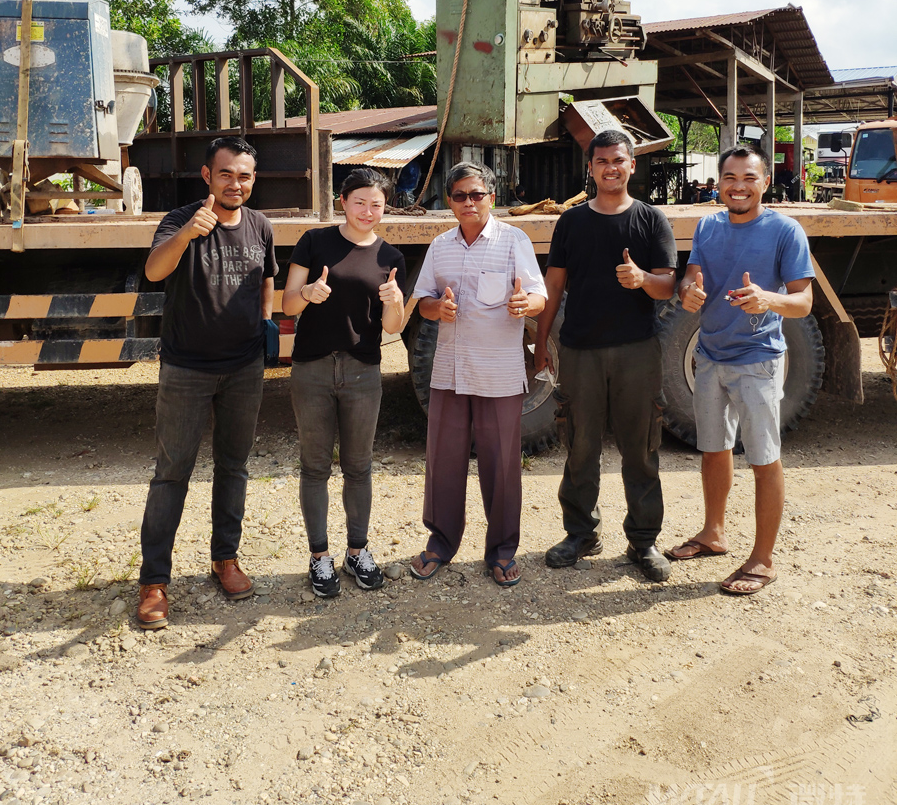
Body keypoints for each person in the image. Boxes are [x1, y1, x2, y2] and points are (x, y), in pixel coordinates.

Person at [137, 137, 278, 629]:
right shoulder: (181, 219)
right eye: (226, 174)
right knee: (172, 473)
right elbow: (154, 271)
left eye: (244, 175)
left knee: (234, 467)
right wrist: (187, 234)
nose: (235, 183)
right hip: (186, 369)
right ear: (207, 176)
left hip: (244, 368)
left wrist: (264, 323)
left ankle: (225, 559)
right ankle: (154, 582)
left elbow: (266, 278)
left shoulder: (260, 225)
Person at [666, 145, 814, 594]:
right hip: (710, 357)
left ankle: (763, 559)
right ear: (719, 183)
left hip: (757, 361)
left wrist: (768, 299)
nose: (739, 186)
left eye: (749, 177)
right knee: (714, 450)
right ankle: (713, 533)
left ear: (765, 182)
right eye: (730, 177)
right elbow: (691, 277)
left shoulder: (785, 231)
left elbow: (803, 302)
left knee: (764, 460)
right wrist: (687, 292)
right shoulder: (708, 226)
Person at [534, 129, 678, 582]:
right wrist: (541, 342)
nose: (611, 168)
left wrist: (642, 279)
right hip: (580, 351)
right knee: (580, 445)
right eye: (602, 161)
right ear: (591, 168)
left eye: (619, 160)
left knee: (641, 448)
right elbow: (553, 285)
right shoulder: (572, 222)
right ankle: (581, 534)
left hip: (638, 349)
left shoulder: (651, 220)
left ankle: (643, 540)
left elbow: (667, 285)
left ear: (632, 164)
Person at [410, 162, 546, 587]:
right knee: (443, 461)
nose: (469, 202)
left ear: (491, 197)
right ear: (449, 201)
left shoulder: (513, 241)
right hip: (450, 371)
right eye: (460, 196)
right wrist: (437, 308)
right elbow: (423, 301)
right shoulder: (440, 246)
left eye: (476, 194)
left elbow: (538, 295)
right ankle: (440, 543)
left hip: (498, 372)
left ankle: (502, 551)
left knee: (501, 464)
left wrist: (526, 305)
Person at [282, 167, 406, 597]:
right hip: (312, 369)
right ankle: (319, 556)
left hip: (362, 370)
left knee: (359, 466)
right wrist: (307, 294)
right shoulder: (315, 242)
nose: (367, 211)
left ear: (385, 207)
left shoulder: (390, 257)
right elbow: (288, 304)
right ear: (343, 202)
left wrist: (396, 301)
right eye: (360, 202)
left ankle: (357, 550)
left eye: (377, 204)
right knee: (315, 466)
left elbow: (392, 326)